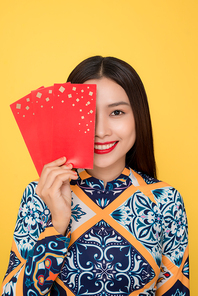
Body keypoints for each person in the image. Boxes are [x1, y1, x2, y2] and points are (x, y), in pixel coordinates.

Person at [1, 56, 189, 296]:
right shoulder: (40, 194)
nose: (100, 131)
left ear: (138, 117)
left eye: (117, 112)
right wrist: (57, 226)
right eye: (87, 114)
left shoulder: (166, 200)